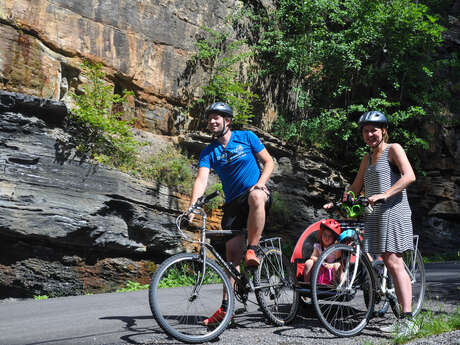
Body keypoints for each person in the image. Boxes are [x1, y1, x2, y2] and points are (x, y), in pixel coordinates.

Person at [326, 110, 417, 336]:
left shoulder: (393, 149)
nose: (370, 134)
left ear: (383, 131)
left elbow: (409, 176)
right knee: (385, 259)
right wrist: (339, 202)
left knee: (394, 261)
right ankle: (399, 313)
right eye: (366, 131)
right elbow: (355, 189)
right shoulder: (366, 159)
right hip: (375, 213)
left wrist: (385, 194)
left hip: (394, 211)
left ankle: (409, 320)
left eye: (374, 130)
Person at [188, 101, 274, 326]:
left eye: (217, 117)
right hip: (233, 204)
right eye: (210, 118)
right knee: (231, 256)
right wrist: (192, 205)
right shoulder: (209, 152)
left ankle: (253, 250)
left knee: (256, 196)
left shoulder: (246, 137)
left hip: (256, 194)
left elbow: (269, 162)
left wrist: (261, 184)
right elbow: (202, 179)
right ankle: (227, 309)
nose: (212, 121)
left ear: (227, 121)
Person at [303, 219, 342, 284]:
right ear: (321, 235)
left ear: (334, 238)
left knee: (337, 265)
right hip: (320, 267)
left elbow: (339, 261)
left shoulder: (336, 248)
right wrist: (321, 262)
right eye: (325, 235)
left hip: (331, 267)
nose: (327, 238)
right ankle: (307, 283)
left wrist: (331, 265)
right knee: (308, 262)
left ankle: (335, 285)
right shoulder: (318, 246)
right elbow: (313, 256)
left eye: (330, 236)